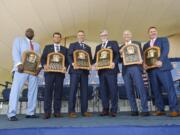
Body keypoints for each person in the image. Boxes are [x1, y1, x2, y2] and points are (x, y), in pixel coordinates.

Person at [143, 26, 179, 117]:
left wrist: (161, 61)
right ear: (148, 34)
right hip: (152, 70)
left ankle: (174, 109)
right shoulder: (146, 45)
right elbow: (145, 57)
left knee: (169, 88)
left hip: (162, 68)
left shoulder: (163, 39)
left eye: (154, 31)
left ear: (157, 32)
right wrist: (145, 64)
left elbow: (165, 51)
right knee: (156, 90)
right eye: (151, 32)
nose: (153, 33)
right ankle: (160, 109)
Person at [7, 28, 41, 121]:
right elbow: (15, 52)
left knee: (33, 91)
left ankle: (30, 112)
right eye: (28, 31)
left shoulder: (37, 45)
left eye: (32, 31)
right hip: (21, 69)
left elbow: (38, 57)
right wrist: (19, 64)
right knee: (16, 90)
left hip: (33, 71)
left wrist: (39, 67)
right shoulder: (18, 40)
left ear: (33, 34)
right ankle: (11, 113)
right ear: (25, 33)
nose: (30, 32)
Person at [119, 30, 149, 116]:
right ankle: (134, 109)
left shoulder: (137, 43)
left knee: (141, 88)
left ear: (131, 35)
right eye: (125, 34)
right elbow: (120, 60)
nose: (126, 35)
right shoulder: (121, 47)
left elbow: (142, 55)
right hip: (126, 69)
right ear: (123, 36)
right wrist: (121, 55)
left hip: (136, 67)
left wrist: (142, 63)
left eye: (128, 34)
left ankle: (145, 109)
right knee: (129, 90)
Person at [41, 32, 68, 119]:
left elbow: (67, 61)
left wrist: (65, 67)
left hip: (60, 74)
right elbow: (43, 59)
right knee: (48, 92)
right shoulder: (47, 47)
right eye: (55, 37)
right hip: (49, 74)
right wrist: (44, 65)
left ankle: (57, 112)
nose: (56, 38)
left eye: (58, 37)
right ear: (53, 38)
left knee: (58, 93)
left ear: (60, 39)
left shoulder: (64, 49)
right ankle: (47, 112)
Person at [93, 30, 119, 117]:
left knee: (113, 90)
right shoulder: (98, 47)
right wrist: (94, 64)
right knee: (103, 91)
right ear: (100, 37)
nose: (103, 36)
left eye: (104, 35)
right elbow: (95, 59)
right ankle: (105, 109)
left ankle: (114, 110)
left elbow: (117, 55)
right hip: (101, 72)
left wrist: (114, 63)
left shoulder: (113, 43)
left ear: (107, 35)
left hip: (111, 70)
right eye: (101, 35)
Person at [68, 30, 92, 118]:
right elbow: (69, 56)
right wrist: (72, 63)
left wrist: (90, 65)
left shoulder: (88, 47)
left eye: (82, 35)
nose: (81, 36)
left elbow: (90, 59)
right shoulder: (72, 45)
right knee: (73, 91)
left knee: (84, 92)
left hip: (85, 72)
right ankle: (71, 111)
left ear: (84, 36)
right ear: (77, 36)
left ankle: (84, 111)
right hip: (74, 71)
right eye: (79, 35)